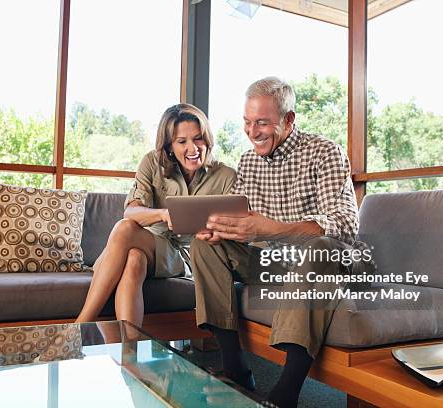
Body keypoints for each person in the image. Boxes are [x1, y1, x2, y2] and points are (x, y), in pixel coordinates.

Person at [191, 77, 360, 408]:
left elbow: (345, 226)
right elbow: (245, 221)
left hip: (320, 266)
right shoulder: (249, 161)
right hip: (272, 265)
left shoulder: (325, 153)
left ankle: (285, 394)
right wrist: (222, 230)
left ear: (288, 119)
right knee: (205, 246)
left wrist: (270, 230)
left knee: (321, 246)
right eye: (247, 122)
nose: (252, 132)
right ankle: (236, 371)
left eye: (262, 123)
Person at [75, 104, 236, 329]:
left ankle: (80, 326)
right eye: (182, 142)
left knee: (126, 236)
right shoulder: (152, 162)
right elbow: (131, 211)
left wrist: (213, 231)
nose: (193, 148)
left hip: (188, 254)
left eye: (198, 138)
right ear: (169, 145)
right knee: (133, 257)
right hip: (152, 244)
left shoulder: (226, 176)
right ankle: (127, 353)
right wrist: (162, 214)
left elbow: (234, 230)